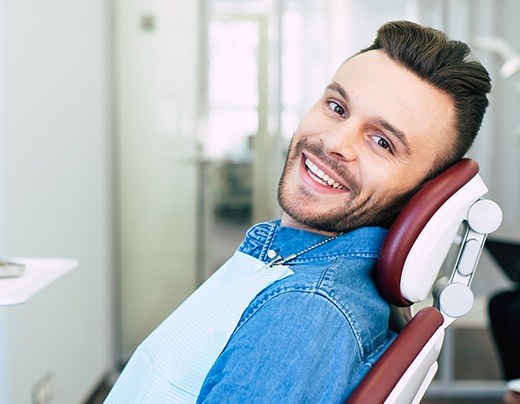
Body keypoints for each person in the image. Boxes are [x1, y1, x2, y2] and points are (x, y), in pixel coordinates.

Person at [106, 20, 491, 403]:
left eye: (381, 142)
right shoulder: (292, 261)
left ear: (421, 194)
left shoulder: (306, 309)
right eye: (337, 107)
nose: (334, 141)